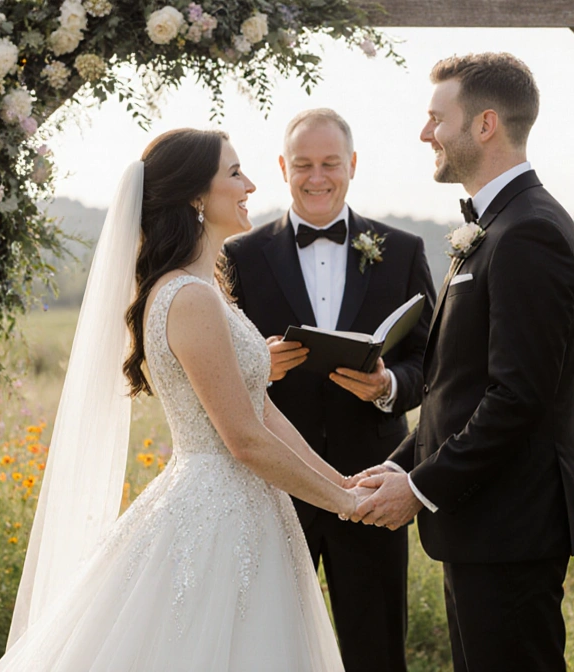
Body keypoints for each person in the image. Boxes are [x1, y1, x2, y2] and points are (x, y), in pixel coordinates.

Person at [0, 130, 370, 671]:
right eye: (235, 173)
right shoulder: (188, 297)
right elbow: (242, 438)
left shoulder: (205, 290)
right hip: (214, 515)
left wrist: (342, 482)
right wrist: (345, 506)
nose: (251, 185)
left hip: (246, 509)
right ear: (197, 196)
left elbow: (262, 410)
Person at [351, 53, 574, 671]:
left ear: (485, 124)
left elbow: (516, 399)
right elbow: (457, 388)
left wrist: (421, 489)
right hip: (481, 523)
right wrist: (397, 466)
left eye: (437, 118)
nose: (425, 133)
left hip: (511, 529)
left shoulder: (528, 232)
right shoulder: (498, 225)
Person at [222, 108, 434, 672]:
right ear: (283, 167)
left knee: (376, 647)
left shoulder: (404, 249)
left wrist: (389, 386)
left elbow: (431, 363)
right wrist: (256, 365)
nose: (318, 177)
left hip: (372, 483)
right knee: (267, 648)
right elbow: (213, 364)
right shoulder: (239, 255)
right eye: (305, 165)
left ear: (353, 165)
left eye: (331, 164)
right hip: (272, 482)